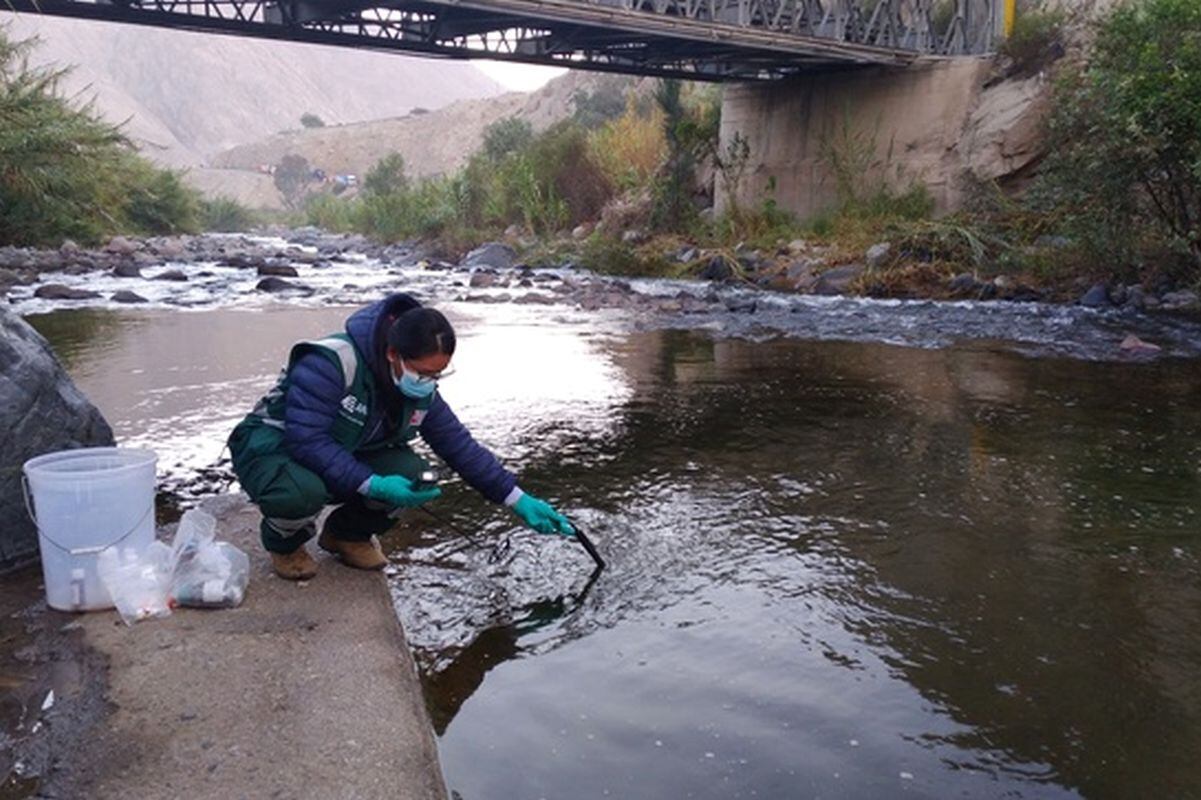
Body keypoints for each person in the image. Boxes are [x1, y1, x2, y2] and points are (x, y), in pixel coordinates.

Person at [227, 292, 574, 580]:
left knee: (413, 476)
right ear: (393, 354)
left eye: (439, 374)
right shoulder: (332, 362)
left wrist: (518, 499)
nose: (429, 382)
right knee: (299, 492)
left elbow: (460, 447)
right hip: (275, 446)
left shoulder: (420, 387)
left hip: (346, 446)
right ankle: (284, 542)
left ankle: (347, 534)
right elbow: (307, 441)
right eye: (424, 373)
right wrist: (371, 483)